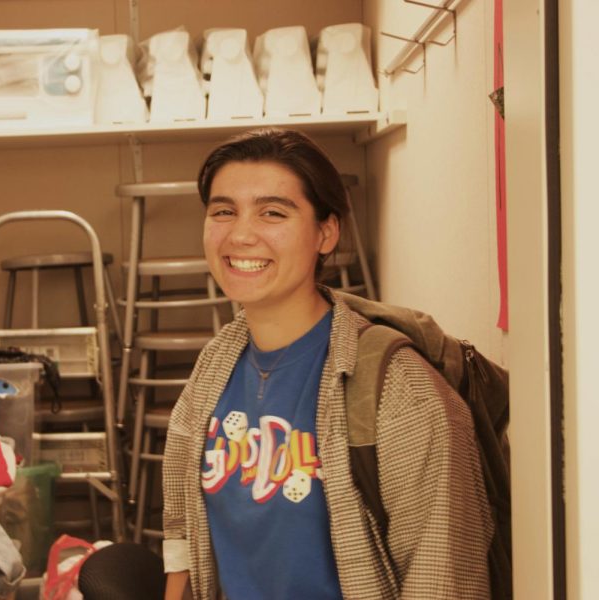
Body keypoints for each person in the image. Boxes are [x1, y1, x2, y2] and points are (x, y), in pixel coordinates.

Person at [161, 129, 493, 600]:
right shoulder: (215, 364)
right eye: (223, 211)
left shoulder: (401, 391)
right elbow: (183, 526)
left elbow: (442, 578)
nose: (240, 234)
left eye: (272, 212)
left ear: (326, 232)